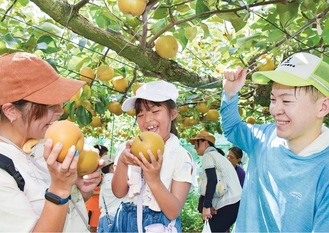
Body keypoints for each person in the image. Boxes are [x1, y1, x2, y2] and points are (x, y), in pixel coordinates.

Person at [220, 52, 329, 232]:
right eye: (272, 99)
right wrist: (230, 93)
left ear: (323, 107)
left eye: (286, 100)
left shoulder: (324, 169)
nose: (275, 109)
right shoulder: (263, 138)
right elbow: (232, 128)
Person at [0, 52, 103, 232]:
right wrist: (60, 189)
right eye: (49, 105)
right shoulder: (3, 170)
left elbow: (63, 214)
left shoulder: (43, 147)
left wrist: (78, 189)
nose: (60, 110)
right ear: (11, 111)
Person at [111, 80, 195, 232]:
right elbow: (118, 192)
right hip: (124, 222)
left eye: (155, 111)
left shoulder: (180, 156)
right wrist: (123, 163)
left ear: (173, 113)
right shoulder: (128, 149)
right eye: (140, 114)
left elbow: (173, 211)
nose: (147, 119)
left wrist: (153, 179)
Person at [190, 131, 242, 232]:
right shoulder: (218, 156)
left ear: (205, 143)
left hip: (229, 203)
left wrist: (206, 206)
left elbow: (212, 180)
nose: (194, 147)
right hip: (234, 203)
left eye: (196, 143)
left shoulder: (208, 156)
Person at [85, 144, 109, 232]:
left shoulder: (100, 170)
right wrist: (101, 192)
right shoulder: (89, 168)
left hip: (98, 205)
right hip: (92, 205)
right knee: (93, 227)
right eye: (105, 154)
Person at [98, 155, 122, 232]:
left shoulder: (104, 181)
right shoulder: (113, 181)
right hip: (113, 219)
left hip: (105, 218)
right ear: (112, 167)